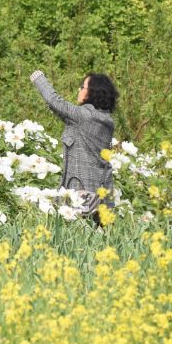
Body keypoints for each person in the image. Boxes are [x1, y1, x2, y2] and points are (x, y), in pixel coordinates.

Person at [29, 69, 118, 226]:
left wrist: (38, 78)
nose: (79, 90)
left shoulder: (85, 116)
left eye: (82, 87)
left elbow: (55, 102)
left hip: (80, 192)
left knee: (75, 239)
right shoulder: (105, 120)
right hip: (101, 193)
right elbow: (64, 113)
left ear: (92, 92)